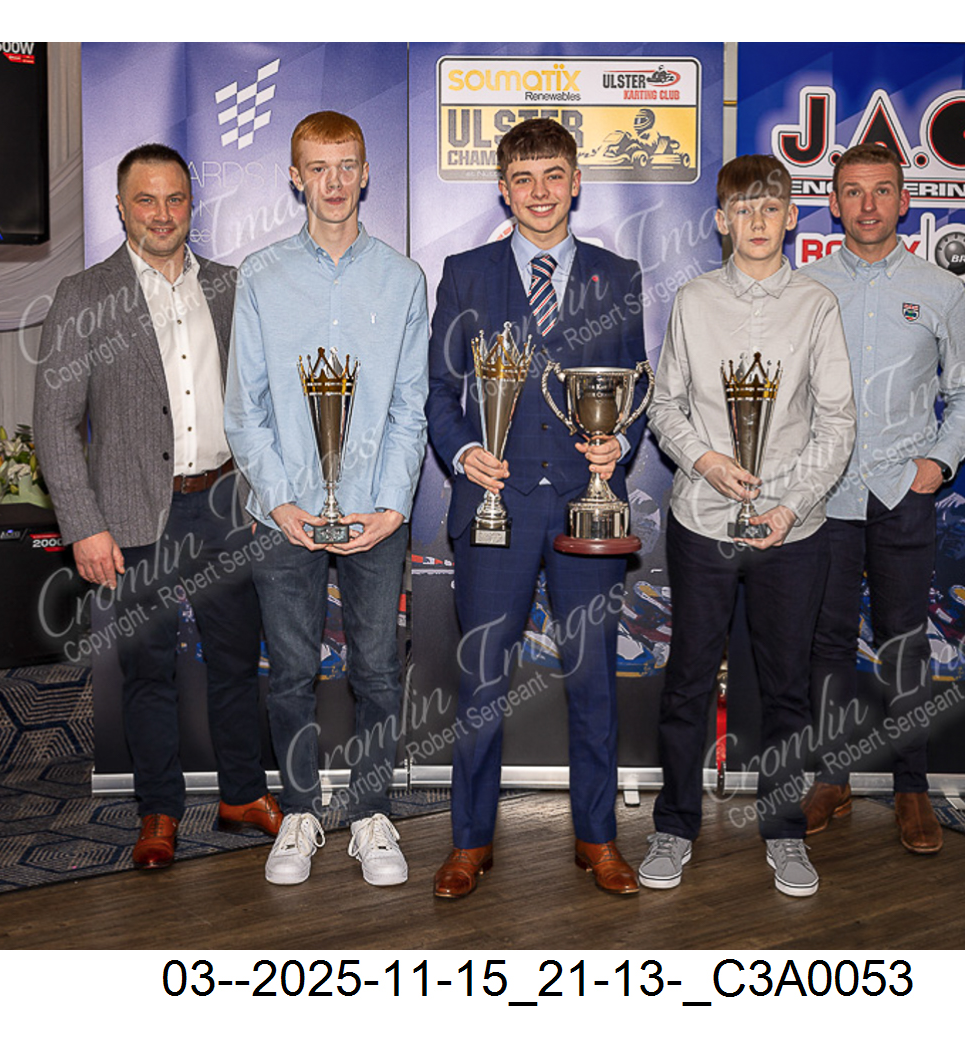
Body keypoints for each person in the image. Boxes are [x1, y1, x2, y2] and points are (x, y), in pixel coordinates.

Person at [34, 143, 280, 870]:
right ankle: (159, 812)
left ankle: (242, 794)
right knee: (148, 672)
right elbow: (54, 424)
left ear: (191, 204)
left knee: (237, 661)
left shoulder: (233, 286)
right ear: (120, 207)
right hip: (132, 515)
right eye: (146, 200)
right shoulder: (84, 296)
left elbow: (263, 397)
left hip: (227, 505)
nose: (162, 214)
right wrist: (85, 526)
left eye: (175, 199)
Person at [425, 118, 647, 898]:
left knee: (593, 683)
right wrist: (464, 451)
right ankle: (469, 843)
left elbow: (637, 385)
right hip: (495, 509)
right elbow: (439, 392)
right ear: (503, 189)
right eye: (523, 179)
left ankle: (598, 839)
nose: (540, 192)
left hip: (589, 512)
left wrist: (620, 444)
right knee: (482, 686)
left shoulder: (618, 275)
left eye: (554, 175)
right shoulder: (465, 274)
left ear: (576, 182)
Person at [639, 155, 855, 897]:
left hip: (792, 530)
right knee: (688, 682)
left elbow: (837, 420)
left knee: (786, 688)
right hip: (703, 521)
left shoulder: (817, 304)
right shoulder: (693, 301)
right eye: (742, 209)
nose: (756, 222)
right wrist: (704, 461)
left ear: (791, 217)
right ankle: (674, 827)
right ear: (721, 220)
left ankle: (785, 832)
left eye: (770, 208)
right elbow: (665, 406)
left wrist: (789, 505)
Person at [225, 111, 429, 887]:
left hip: (375, 512)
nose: (334, 182)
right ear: (295, 176)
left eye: (347, 166)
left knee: (377, 671)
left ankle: (371, 813)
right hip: (283, 515)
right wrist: (281, 501)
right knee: (288, 673)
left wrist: (393, 505)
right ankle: (301, 812)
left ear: (366, 173)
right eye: (319, 167)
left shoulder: (402, 279)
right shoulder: (261, 275)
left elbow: (410, 406)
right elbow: (244, 409)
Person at [802, 142, 965, 854]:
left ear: (904, 200)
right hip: (823, 495)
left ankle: (912, 788)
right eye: (853, 191)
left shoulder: (940, 289)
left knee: (904, 642)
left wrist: (937, 463)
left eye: (882, 190)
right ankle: (832, 778)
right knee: (824, 643)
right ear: (834, 203)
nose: (868, 204)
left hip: (901, 493)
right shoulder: (807, 287)